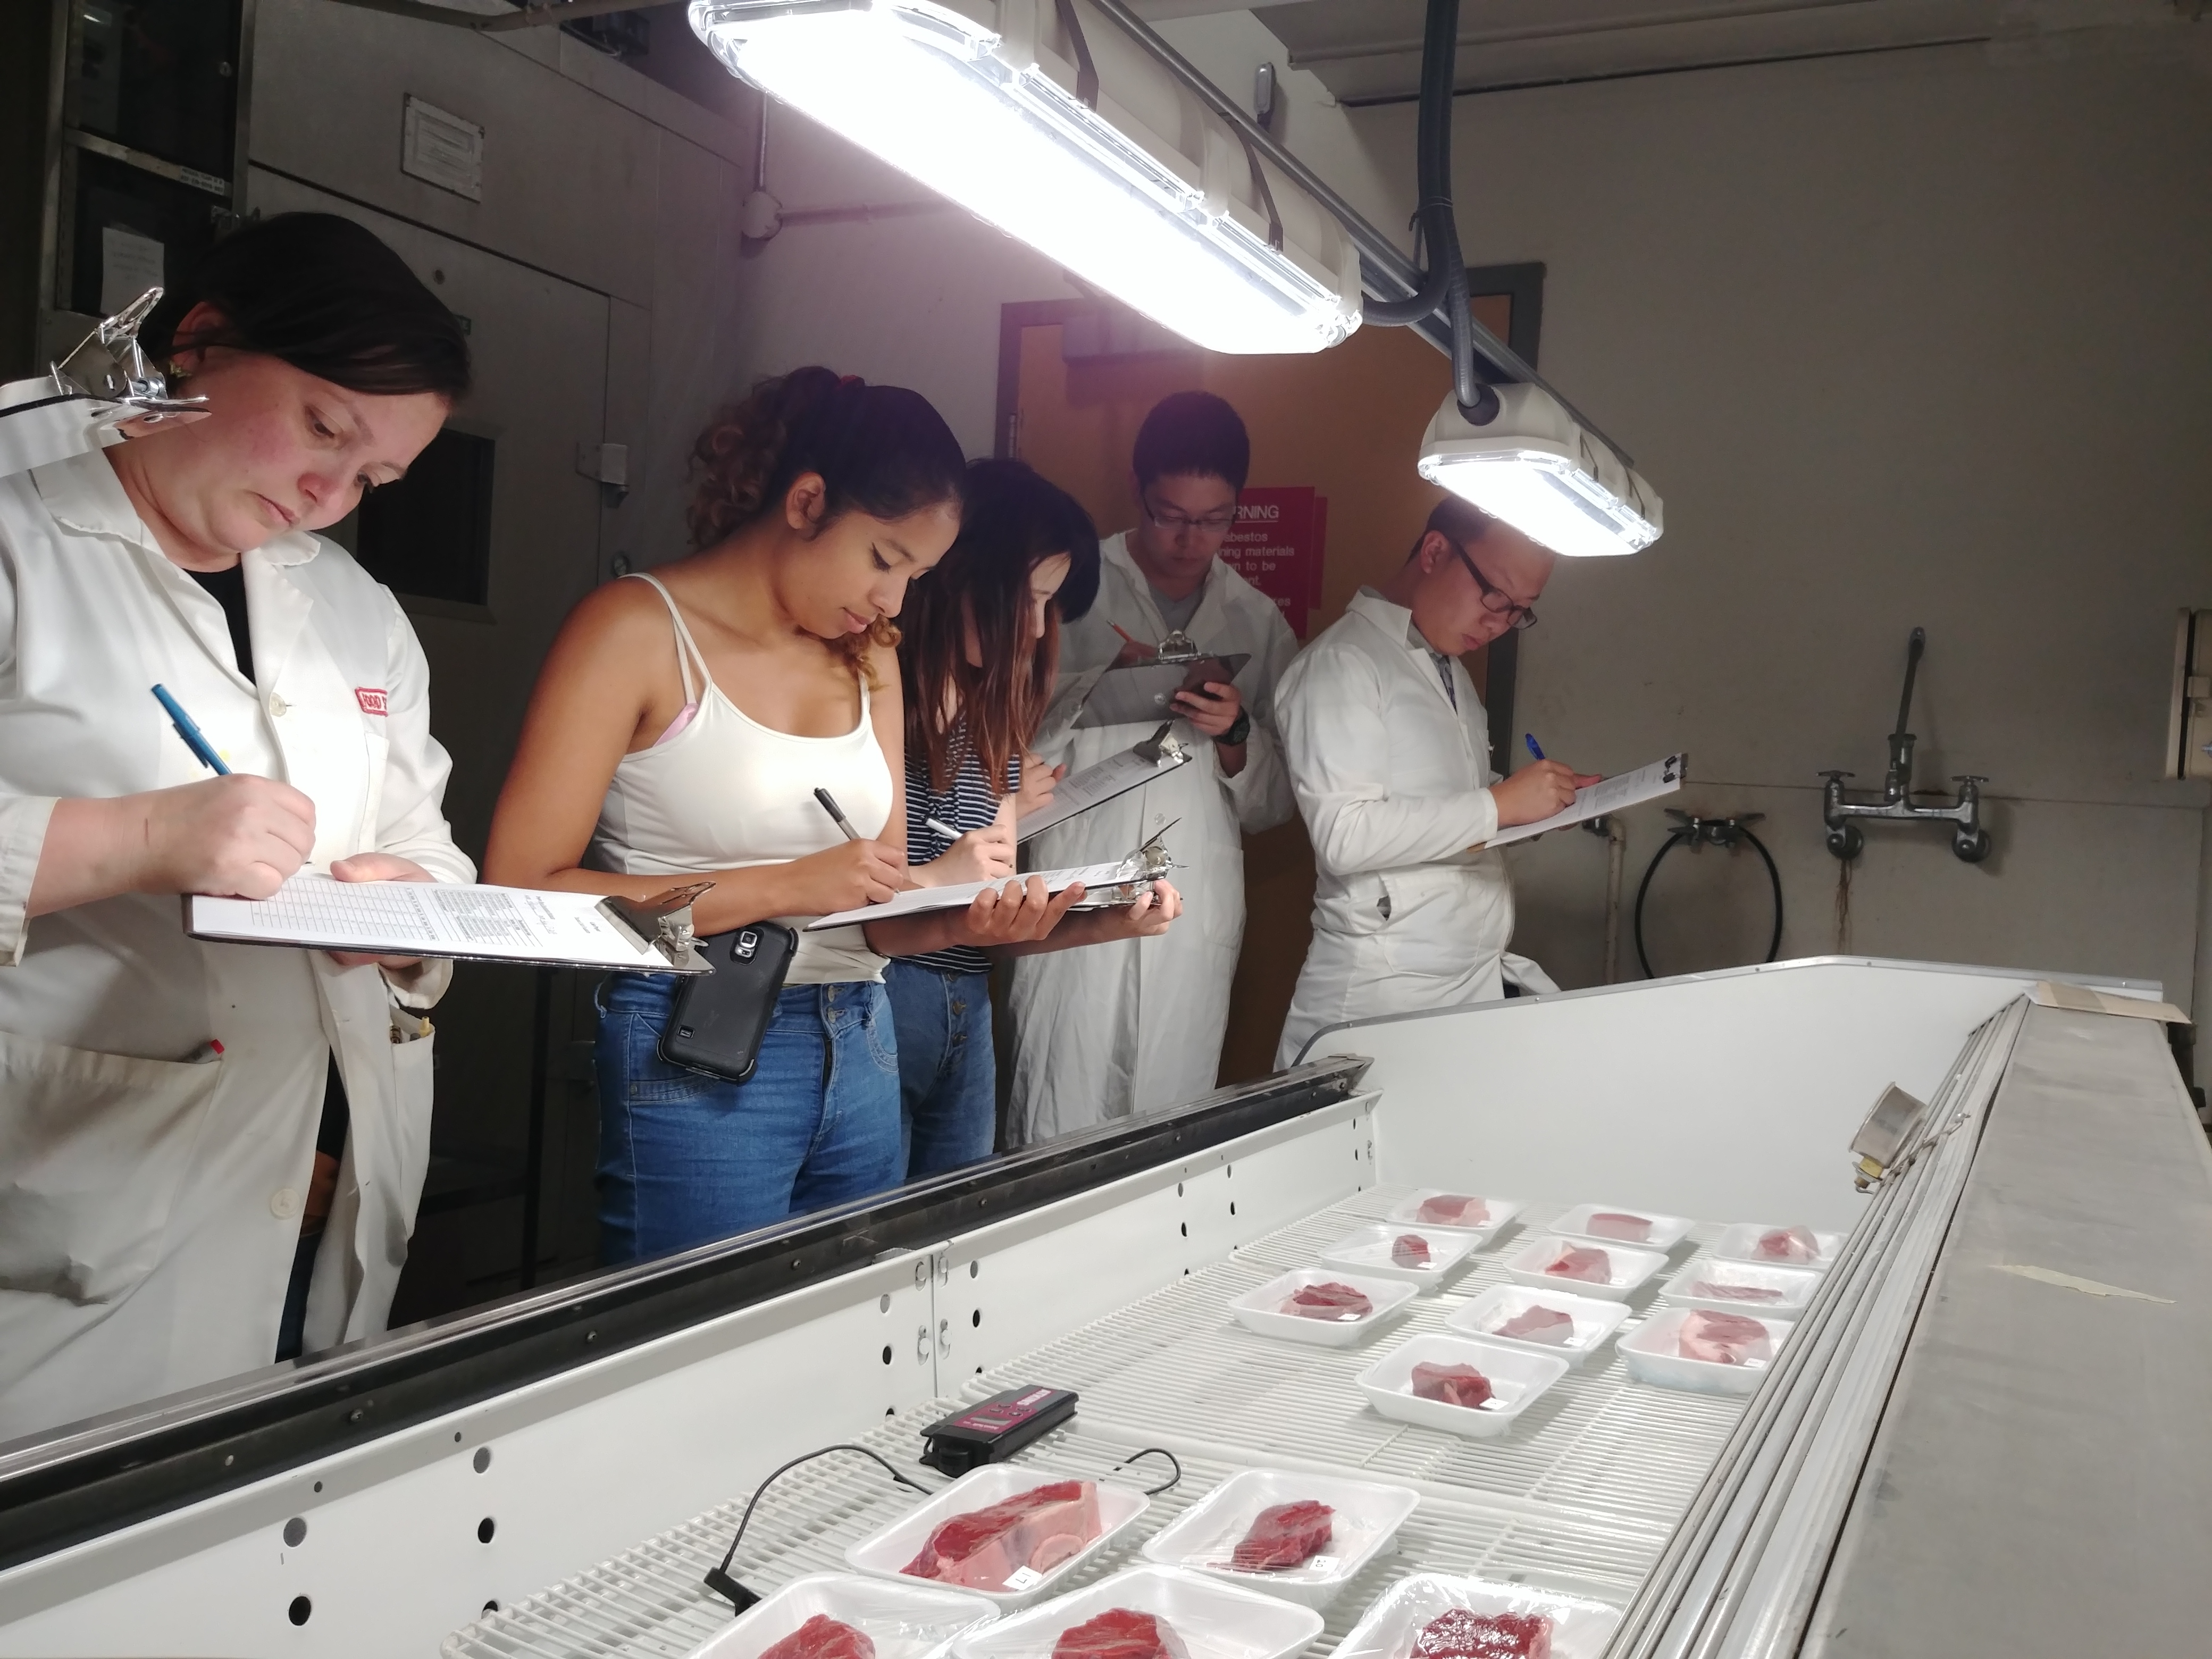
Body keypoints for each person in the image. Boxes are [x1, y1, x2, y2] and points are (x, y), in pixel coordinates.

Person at [0, 212, 474, 1439]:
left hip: (317, 1186)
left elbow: (426, 834)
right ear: (200, 345)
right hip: (76, 1201)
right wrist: (134, 843)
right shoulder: (19, 529)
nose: (328, 495)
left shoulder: (355, 609)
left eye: (373, 478)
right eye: (325, 427)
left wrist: (407, 909)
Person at [482, 371, 1103, 1262]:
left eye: (916, 579)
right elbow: (520, 893)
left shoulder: (872, 657)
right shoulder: (635, 630)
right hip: (697, 1039)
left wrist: (1009, 919)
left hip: (863, 1032)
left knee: (852, 1348)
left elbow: (873, 919)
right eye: (886, 562)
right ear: (806, 501)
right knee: (701, 1353)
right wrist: (783, 885)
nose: (894, 604)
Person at [1006, 391, 1298, 1144]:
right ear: (1140, 494)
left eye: (1213, 519)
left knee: (1172, 1106)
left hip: (1194, 887)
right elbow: (999, 744)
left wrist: (1235, 732)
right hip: (1076, 871)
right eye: (1170, 514)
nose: (1188, 538)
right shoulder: (1071, 588)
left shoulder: (1256, 620)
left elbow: (1274, 805)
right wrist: (1094, 686)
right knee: (1056, 1097)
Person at [890, 459, 1183, 1180]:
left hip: (966, 1004)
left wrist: (1114, 918)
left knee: (953, 1234)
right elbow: (877, 917)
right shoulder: (878, 695)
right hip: (881, 1003)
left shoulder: (995, 715)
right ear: (952, 570)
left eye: (1047, 605)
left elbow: (991, 925)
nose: (1031, 628)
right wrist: (946, 875)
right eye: (1022, 597)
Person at [1272, 497, 1598, 1068]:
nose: (1499, 623)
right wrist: (1499, 805)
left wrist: (1534, 812)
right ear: (1434, 551)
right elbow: (1344, 835)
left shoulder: (1447, 671)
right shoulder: (1343, 663)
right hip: (1378, 993)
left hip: (1459, 981)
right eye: (1495, 596)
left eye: (1521, 610)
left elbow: (1448, 812)